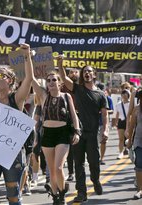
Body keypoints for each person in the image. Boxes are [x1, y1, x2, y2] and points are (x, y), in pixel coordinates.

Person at [0, 43, 34, 205]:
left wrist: (27, 56)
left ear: (10, 80)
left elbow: (29, 79)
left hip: (13, 156)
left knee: (13, 197)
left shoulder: (16, 99)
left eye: (0, 76)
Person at [58, 55, 108, 203]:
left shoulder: (100, 94)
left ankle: (95, 179)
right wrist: (60, 65)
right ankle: (81, 193)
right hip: (78, 134)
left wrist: (104, 130)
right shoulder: (77, 89)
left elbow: (105, 116)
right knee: (78, 164)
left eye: (89, 71)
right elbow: (64, 78)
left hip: (92, 134)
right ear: (82, 75)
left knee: (94, 162)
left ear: (93, 75)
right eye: (84, 71)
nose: (87, 73)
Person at [32, 72, 80, 205]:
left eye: (54, 80)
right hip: (47, 134)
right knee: (52, 169)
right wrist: (27, 58)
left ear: (60, 83)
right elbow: (30, 77)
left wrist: (77, 132)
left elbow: (73, 115)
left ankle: (62, 193)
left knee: (59, 167)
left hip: (63, 133)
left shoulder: (66, 96)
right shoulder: (42, 96)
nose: (51, 82)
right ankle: (55, 196)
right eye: (48, 80)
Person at [61, 68, 80, 182]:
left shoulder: (81, 86)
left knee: (78, 148)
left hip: (79, 119)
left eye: (76, 71)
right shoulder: (63, 87)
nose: (73, 73)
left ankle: (78, 171)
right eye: (71, 72)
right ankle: (71, 172)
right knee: (70, 148)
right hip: (66, 120)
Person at [126, 89, 142, 200]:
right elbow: (132, 126)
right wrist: (130, 141)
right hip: (138, 141)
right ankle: (140, 190)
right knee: (139, 164)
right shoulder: (136, 110)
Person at [97, 84, 114, 165]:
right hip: (95, 123)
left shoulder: (108, 99)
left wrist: (104, 111)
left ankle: (102, 158)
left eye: (102, 90)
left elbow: (112, 110)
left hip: (104, 123)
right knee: (94, 142)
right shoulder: (95, 98)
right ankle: (96, 157)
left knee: (103, 141)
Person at [114, 89, 130, 159]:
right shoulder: (118, 104)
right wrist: (116, 122)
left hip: (129, 122)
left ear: (128, 95)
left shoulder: (131, 104)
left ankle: (129, 151)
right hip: (121, 121)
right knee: (121, 138)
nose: (124, 95)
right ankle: (121, 153)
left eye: (125, 93)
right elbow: (117, 114)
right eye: (122, 93)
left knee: (129, 138)